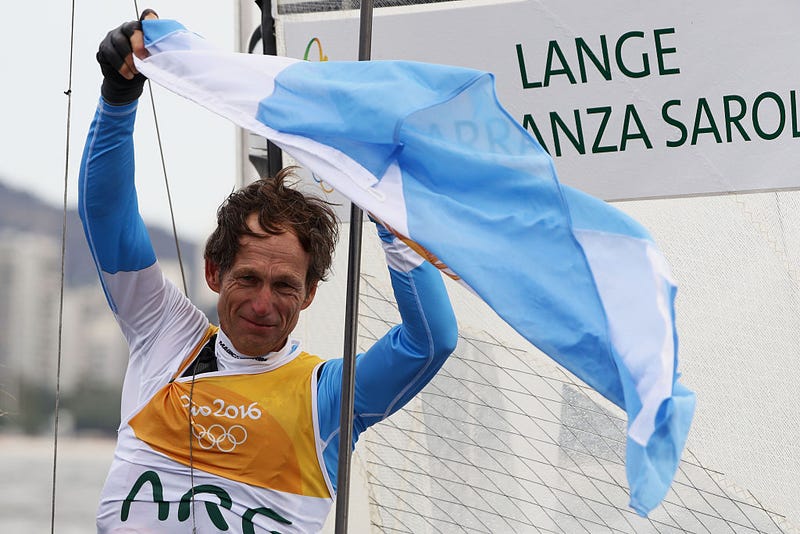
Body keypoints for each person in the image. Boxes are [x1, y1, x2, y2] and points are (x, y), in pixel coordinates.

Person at [79, 10, 458, 533]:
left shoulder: (327, 398)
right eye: (248, 279)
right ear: (214, 272)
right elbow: (107, 218)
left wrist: (390, 217)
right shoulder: (163, 334)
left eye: (285, 286)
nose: (263, 305)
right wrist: (117, 100)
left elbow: (430, 342)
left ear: (308, 295)